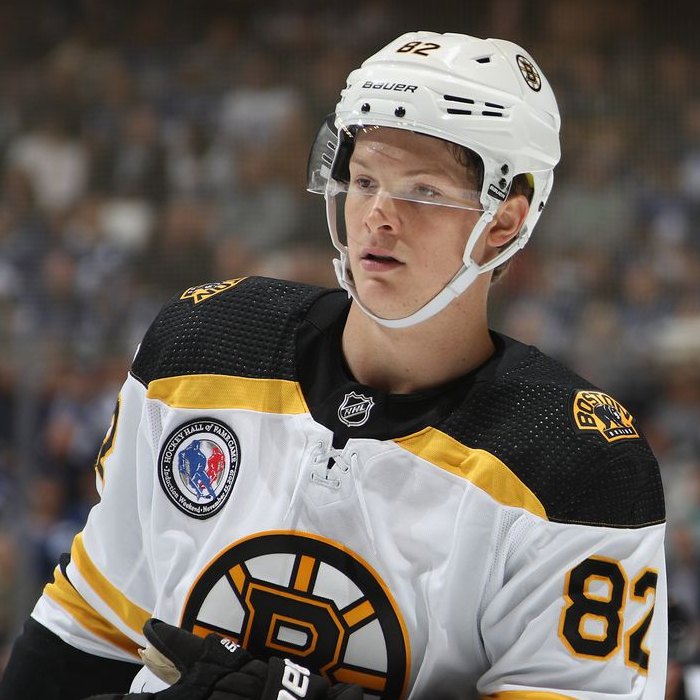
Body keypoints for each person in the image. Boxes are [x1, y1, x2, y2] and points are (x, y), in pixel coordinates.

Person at [0, 30, 667, 700]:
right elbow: (89, 630)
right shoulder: (202, 349)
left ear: (503, 222)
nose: (378, 217)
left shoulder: (578, 465)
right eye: (366, 181)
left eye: (424, 192)